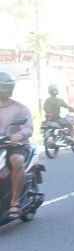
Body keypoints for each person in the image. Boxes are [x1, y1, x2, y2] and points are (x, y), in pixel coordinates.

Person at [0, 71, 34, 220]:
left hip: (14, 145)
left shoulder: (20, 108)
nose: (5, 90)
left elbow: (28, 127)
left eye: (7, 87)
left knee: (16, 160)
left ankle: (14, 202)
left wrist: (18, 135)